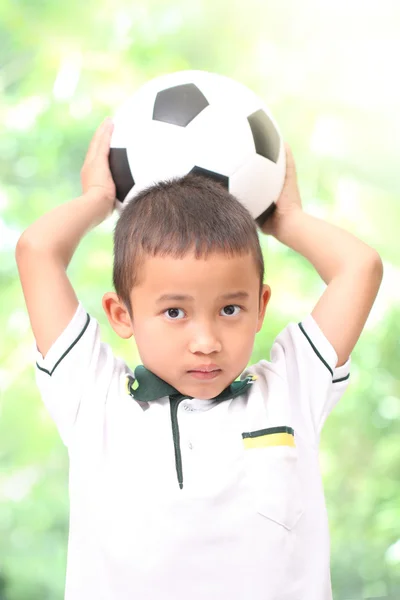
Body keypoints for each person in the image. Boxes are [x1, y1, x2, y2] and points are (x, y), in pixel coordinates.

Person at [15, 117, 383, 600]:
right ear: (121, 315)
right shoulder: (93, 397)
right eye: (174, 312)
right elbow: (37, 251)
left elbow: (360, 268)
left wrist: (287, 220)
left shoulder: (292, 388)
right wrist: (97, 201)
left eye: (230, 308)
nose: (206, 340)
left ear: (260, 307)